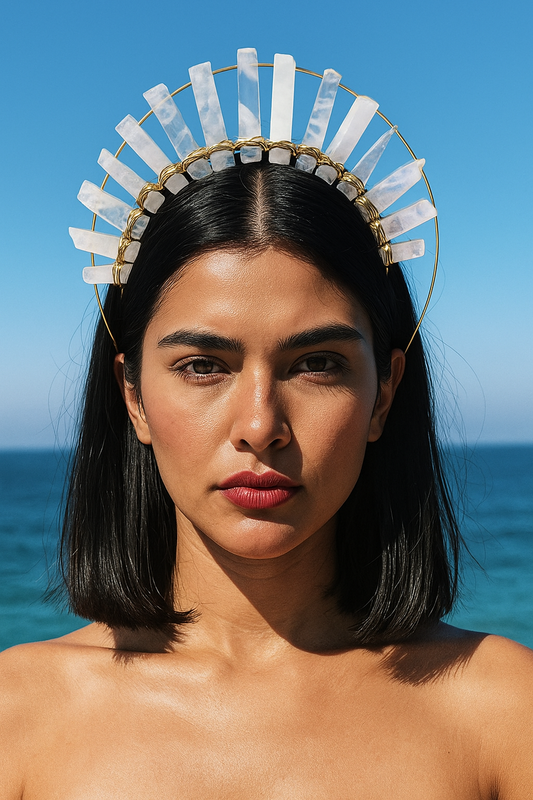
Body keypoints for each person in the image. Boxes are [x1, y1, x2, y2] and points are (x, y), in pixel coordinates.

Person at [1, 50, 532, 798]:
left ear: (383, 395)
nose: (259, 424)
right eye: (202, 366)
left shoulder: (504, 711)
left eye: (315, 364)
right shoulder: (15, 718)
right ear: (131, 396)